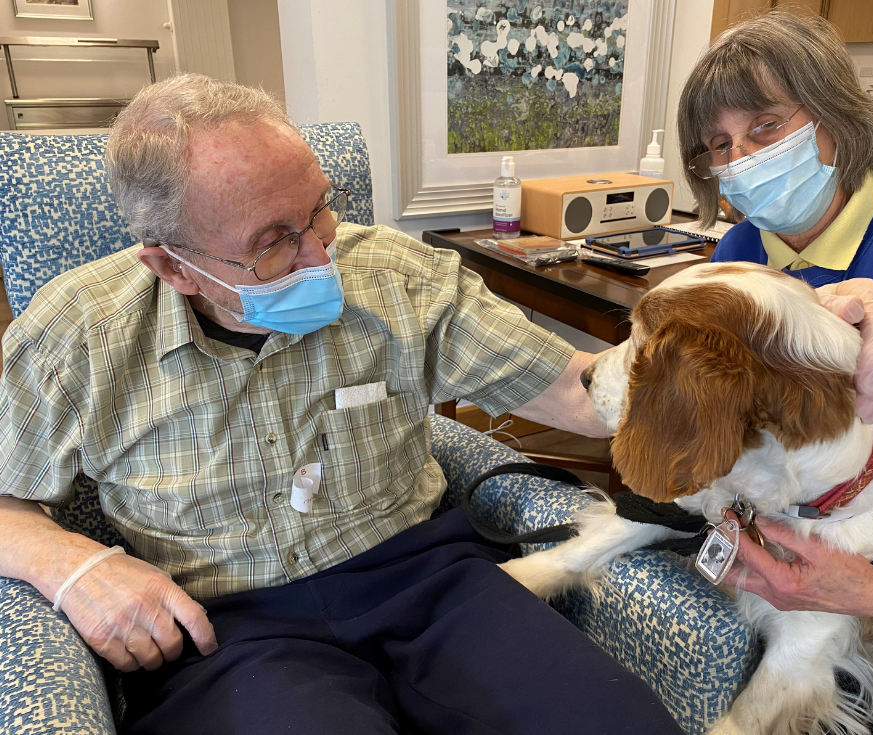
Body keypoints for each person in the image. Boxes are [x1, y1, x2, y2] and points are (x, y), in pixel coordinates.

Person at [0, 74, 687, 734]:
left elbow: (582, 391)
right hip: (231, 632)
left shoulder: (396, 278)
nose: (320, 255)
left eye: (318, 211)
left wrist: (752, 395)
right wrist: (72, 566)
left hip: (428, 581)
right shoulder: (77, 333)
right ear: (174, 266)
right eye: (274, 242)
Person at [676, 11, 873, 626]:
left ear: (834, 116)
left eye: (766, 126)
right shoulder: (739, 254)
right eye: (721, 145)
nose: (743, 158)